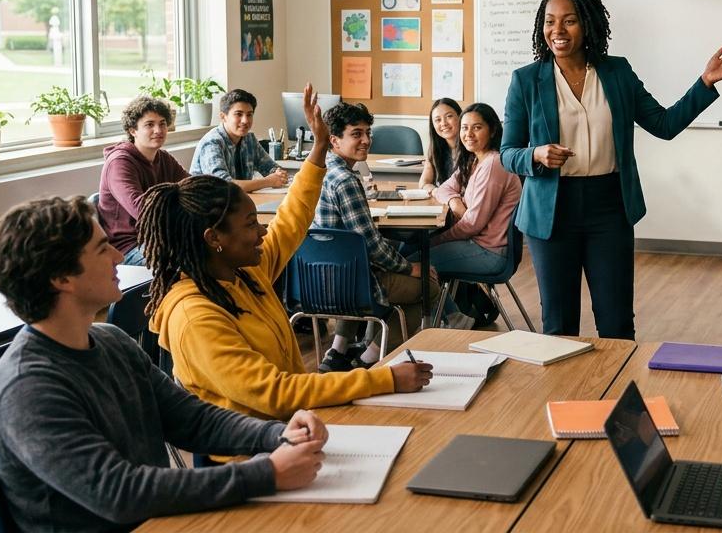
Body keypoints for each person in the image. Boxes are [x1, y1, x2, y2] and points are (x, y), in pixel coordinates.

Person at [0, 195, 331, 531]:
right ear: (61, 279)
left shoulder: (112, 342)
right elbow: (118, 493)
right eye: (102, 248)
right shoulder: (27, 388)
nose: (119, 255)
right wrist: (266, 474)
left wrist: (276, 434)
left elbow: (192, 419)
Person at [145, 86, 432, 427]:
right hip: (251, 452)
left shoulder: (245, 274)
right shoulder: (195, 317)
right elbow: (276, 393)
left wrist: (321, 147)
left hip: (293, 427)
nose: (262, 232)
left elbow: (291, 220)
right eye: (251, 224)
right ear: (214, 239)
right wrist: (386, 379)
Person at [500, 0, 722, 339]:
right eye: (550, 21)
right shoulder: (526, 81)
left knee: (617, 323)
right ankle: (562, 396)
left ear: (587, 24)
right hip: (551, 212)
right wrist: (535, 155)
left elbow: (664, 124)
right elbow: (507, 153)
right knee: (558, 326)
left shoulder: (617, 73)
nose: (558, 30)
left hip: (609, 207)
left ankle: (617, 395)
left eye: (569, 20)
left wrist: (705, 83)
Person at [314, 101, 443, 370]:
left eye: (367, 133)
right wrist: (410, 268)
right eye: (356, 134)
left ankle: (337, 353)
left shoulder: (319, 172)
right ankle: (367, 360)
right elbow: (371, 245)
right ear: (334, 140)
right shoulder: (347, 181)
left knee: (362, 261)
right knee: (428, 288)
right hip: (351, 283)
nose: (366, 140)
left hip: (317, 279)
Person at [430, 103, 522, 277]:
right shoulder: (474, 159)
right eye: (464, 128)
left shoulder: (494, 163)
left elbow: (472, 225)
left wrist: (435, 241)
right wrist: (454, 201)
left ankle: (447, 305)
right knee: (410, 256)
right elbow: (444, 188)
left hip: (489, 252)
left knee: (412, 263)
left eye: (477, 128)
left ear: (493, 130)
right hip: (474, 244)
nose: (468, 134)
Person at [98, 96, 188, 266]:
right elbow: (143, 211)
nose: (158, 130)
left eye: (162, 123)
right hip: (129, 246)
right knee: (185, 263)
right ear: (133, 131)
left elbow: (193, 187)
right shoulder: (119, 162)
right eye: (149, 125)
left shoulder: (163, 157)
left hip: (162, 238)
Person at [190, 88, 288, 193]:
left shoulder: (249, 138)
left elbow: (270, 167)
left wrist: (278, 173)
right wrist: (268, 181)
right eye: (238, 114)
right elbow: (223, 186)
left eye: (249, 114)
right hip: (207, 206)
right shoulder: (212, 143)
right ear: (223, 117)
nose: (245, 120)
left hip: (236, 202)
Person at [419, 98, 461, 192]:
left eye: (449, 116)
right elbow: (424, 182)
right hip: (444, 202)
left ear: (460, 117)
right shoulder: (435, 149)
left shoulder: (472, 148)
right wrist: (436, 191)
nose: (443, 123)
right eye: (438, 120)